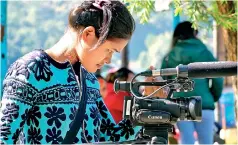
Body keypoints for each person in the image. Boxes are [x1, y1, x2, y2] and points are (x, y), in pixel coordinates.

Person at [0, 0, 142, 144]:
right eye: (109, 50)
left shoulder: (90, 80)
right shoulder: (29, 70)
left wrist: (145, 110)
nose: (109, 60)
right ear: (88, 34)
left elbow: (112, 136)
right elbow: (4, 139)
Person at [161, 21, 224, 144]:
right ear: (194, 33)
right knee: (206, 142)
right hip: (204, 104)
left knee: (186, 141)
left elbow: (164, 83)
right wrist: (212, 96)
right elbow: (218, 77)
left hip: (181, 105)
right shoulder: (205, 52)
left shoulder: (170, 56)